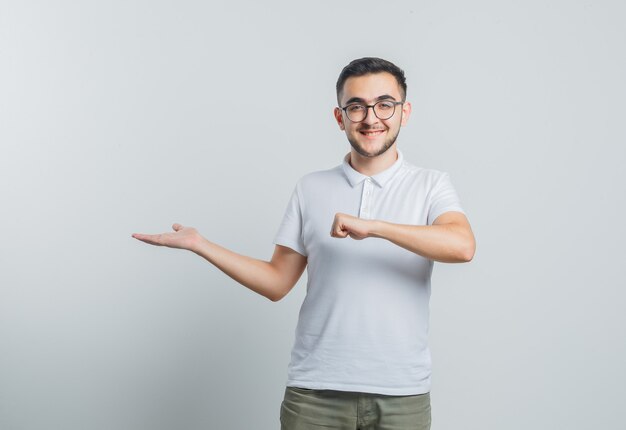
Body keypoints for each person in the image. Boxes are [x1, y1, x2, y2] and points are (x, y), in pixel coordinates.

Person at [132, 57, 475, 430]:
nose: (371, 117)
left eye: (384, 104)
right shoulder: (311, 188)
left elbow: (461, 246)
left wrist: (373, 227)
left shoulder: (431, 185)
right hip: (314, 392)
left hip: (401, 393)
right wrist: (201, 244)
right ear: (339, 117)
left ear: (404, 111)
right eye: (356, 106)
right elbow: (277, 282)